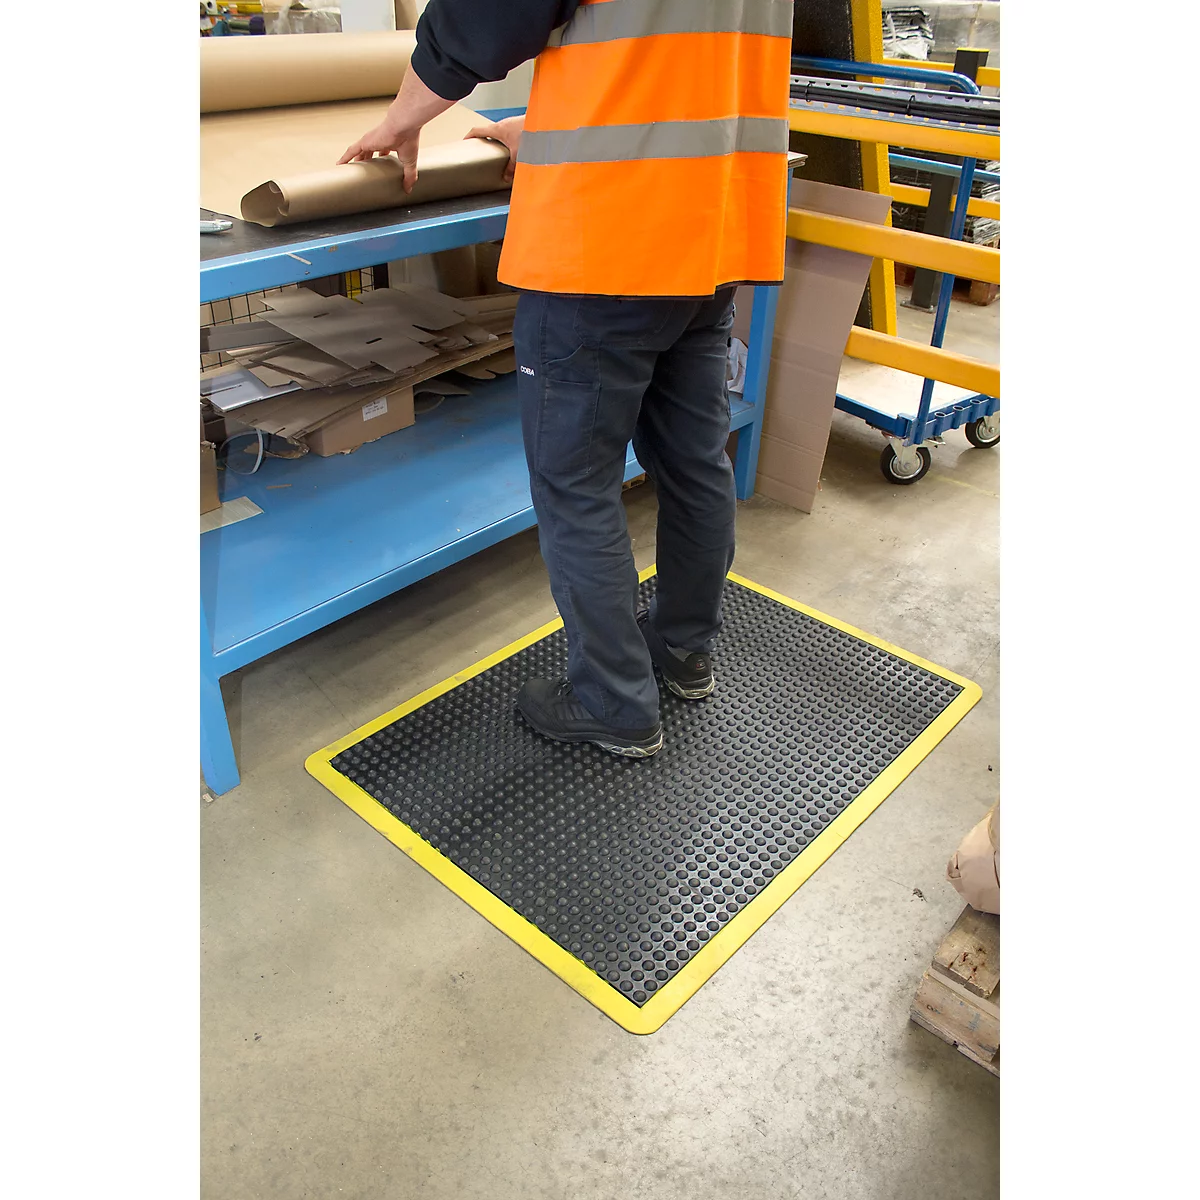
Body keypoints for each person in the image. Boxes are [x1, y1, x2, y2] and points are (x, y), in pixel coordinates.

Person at [341, 0, 793, 758]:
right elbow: (676, 58)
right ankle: (684, 654)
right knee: (692, 464)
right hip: (715, 224)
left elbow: (488, 15)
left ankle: (612, 702)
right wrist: (549, 129)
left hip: (607, 238)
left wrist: (405, 113)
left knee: (575, 485)